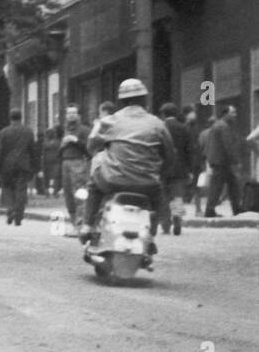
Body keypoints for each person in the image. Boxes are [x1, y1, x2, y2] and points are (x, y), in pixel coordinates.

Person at [80, 78, 176, 246]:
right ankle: (153, 233)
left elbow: (91, 146)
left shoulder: (110, 121)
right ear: (144, 99)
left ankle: (87, 225)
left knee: (95, 173)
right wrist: (158, 172)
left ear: (121, 101)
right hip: (148, 184)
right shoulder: (157, 124)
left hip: (113, 181)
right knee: (157, 193)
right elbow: (170, 156)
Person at [0, 109, 37, 226]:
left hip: (7, 166)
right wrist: (34, 166)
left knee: (8, 189)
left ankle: (11, 209)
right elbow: (33, 150)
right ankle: (18, 214)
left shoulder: (3, 132)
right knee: (21, 189)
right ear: (21, 117)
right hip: (23, 164)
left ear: (10, 118)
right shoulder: (28, 132)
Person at [159, 102, 195, 236]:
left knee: (164, 196)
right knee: (177, 195)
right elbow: (190, 150)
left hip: (162, 168)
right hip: (180, 168)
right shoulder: (184, 128)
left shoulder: (160, 128)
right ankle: (177, 216)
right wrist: (190, 169)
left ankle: (165, 225)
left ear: (163, 115)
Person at [203, 104, 244, 217]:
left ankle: (236, 208)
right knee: (218, 186)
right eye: (233, 113)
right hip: (222, 161)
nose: (235, 115)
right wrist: (235, 161)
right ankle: (210, 210)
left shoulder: (218, 125)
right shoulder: (223, 126)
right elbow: (228, 145)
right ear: (226, 114)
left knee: (232, 184)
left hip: (218, 161)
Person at [57, 106, 91, 234]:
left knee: (79, 193)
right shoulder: (64, 130)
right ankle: (74, 224)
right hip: (65, 162)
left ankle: (81, 224)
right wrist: (62, 146)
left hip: (78, 162)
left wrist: (75, 140)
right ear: (65, 115)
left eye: (74, 113)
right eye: (69, 113)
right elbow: (59, 149)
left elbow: (90, 149)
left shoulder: (84, 130)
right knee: (68, 194)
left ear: (78, 115)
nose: (71, 115)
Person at [41, 126, 61, 197]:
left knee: (47, 177)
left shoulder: (45, 142)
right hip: (55, 161)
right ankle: (55, 192)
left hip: (47, 161)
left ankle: (47, 191)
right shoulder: (57, 142)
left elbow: (43, 153)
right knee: (56, 177)